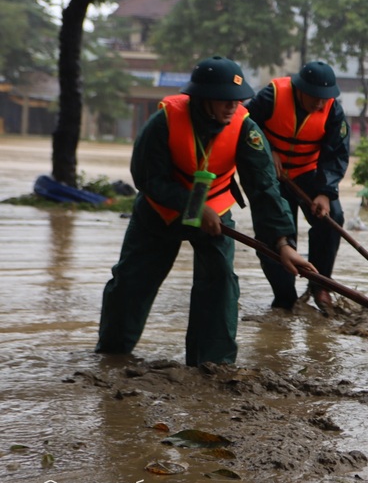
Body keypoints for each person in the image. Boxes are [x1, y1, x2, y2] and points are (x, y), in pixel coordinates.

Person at [96, 56, 314, 366]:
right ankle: (112, 354)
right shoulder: (164, 122)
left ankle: (212, 363)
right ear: (201, 98)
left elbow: (264, 189)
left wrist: (283, 244)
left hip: (216, 209)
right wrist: (192, 206)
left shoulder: (245, 128)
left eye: (237, 100)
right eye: (224, 100)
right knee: (131, 282)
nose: (232, 107)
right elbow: (146, 178)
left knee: (221, 283)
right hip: (160, 212)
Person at [246, 60, 351, 311]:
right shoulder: (272, 96)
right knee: (276, 230)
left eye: (324, 98)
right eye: (315, 96)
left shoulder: (332, 110)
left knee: (332, 217)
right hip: (272, 175)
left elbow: (336, 153)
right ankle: (285, 296)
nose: (319, 103)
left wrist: (325, 193)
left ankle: (320, 284)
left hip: (308, 173)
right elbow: (245, 123)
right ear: (300, 90)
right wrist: (266, 150)